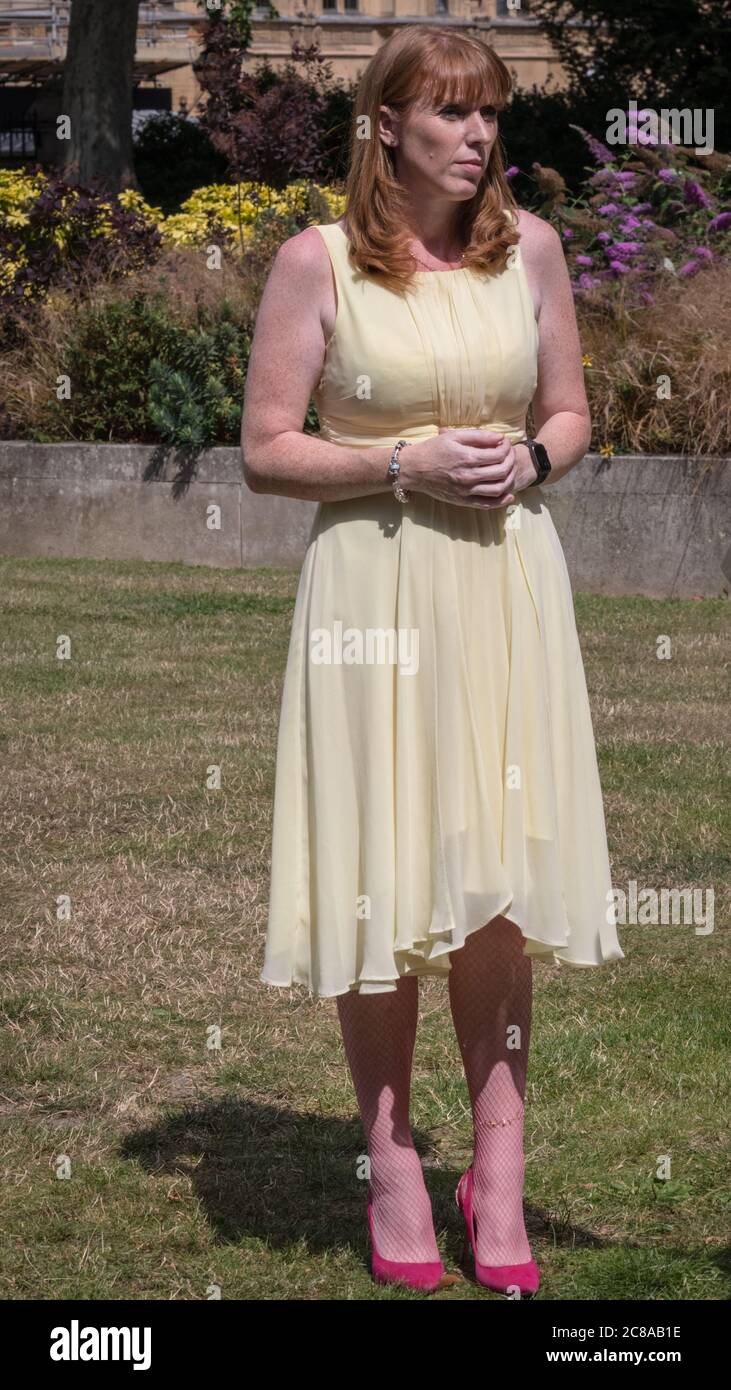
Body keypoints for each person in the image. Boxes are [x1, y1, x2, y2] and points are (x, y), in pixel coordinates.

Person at [241, 24, 624, 1296]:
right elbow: (265, 446)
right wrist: (393, 463)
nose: (476, 138)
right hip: (376, 591)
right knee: (383, 881)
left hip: (506, 587)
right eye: (451, 115)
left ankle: (497, 1174)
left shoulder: (534, 255)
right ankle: (395, 1161)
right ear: (386, 127)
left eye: (489, 116)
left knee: (498, 894)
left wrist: (534, 458)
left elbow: (568, 412)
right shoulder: (318, 265)